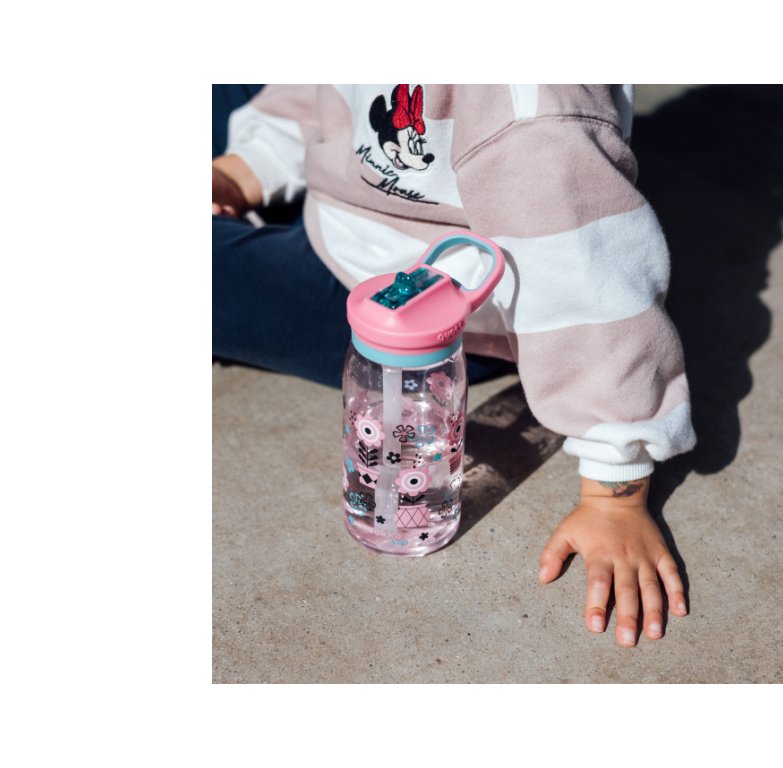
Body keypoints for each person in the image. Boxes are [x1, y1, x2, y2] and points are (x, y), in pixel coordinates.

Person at [213, 84, 696, 647]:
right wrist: (245, 168)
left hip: (431, 305)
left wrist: (614, 492)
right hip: (349, 207)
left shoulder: (532, 110)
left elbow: (585, 273)